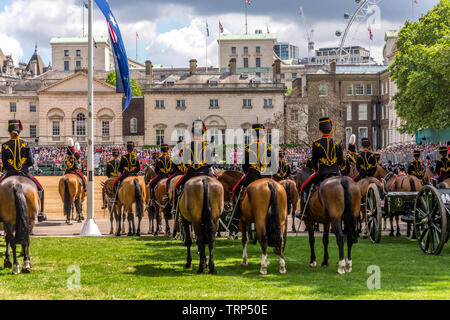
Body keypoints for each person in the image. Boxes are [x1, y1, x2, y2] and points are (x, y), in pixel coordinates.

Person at [0, 120, 46, 221]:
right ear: (19, 131)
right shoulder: (25, 144)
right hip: (25, 173)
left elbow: (4, 164)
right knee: (41, 189)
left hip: (10, 174)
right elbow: (30, 161)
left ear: (9, 132)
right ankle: (41, 213)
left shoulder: (5, 145)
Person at [300, 117, 344, 202]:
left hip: (322, 173)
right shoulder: (337, 143)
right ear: (330, 130)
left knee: (304, 187)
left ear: (320, 130)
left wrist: (317, 170)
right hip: (336, 172)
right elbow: (341, 161)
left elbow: (314, 161)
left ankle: (304, 212)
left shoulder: (316, 144)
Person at [173, 119, 214, 208]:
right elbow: (210, 163)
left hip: (191, 173)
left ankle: (176, 209)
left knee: (176, 187)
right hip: (205, 172)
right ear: (202, 133)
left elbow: (186, 163)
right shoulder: (207, 146)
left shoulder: (187, 146)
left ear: (192, 133)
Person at [232, 123, 272, 200]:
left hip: (252, 176)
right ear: (263, 135)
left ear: (253, 135)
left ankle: (237, 211)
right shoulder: (270, 148)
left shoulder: (247, 148)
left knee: (235, 191)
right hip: (268, 176)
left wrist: (249, 172)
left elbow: (244, 166)